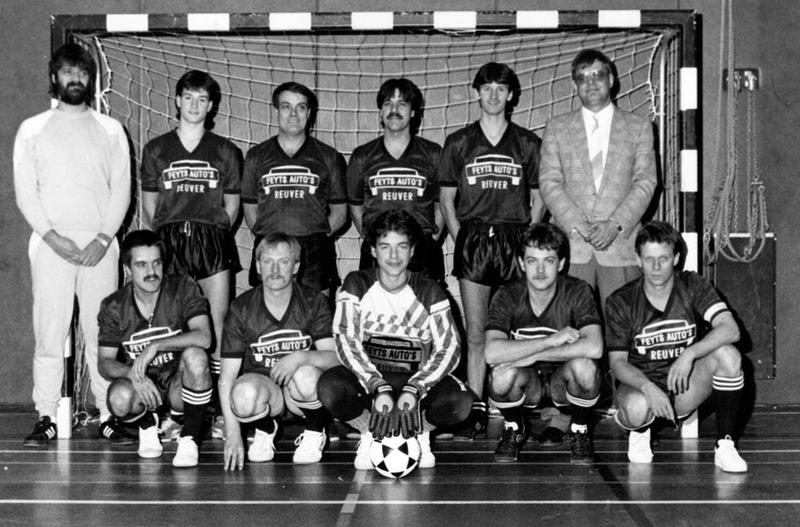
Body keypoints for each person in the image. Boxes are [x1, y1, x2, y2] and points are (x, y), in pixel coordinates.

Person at [13, 43, 132, 447]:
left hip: (100, 245)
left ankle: (108, 414)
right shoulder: (32, 129)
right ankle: (46, 416)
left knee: (101, 334)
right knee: (50, 333)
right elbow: (26, 192)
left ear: (91, 78)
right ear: (55, 77)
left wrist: (103, 237)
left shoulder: (110, 130)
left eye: (81, 72)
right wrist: (51, 237)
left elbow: (122, 190)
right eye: (68, 72)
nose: (75, 79)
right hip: (51, 245)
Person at [317, 209, 472, 469]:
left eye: (402, 247)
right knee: (330, 386)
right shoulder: (356, 284)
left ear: (412, 251)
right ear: (373, 250)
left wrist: (416, 387)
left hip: (415, 380)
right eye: (385, 247)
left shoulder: (430, 290)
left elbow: (450, 347)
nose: (393, 256)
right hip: (372, 380)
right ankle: (371, 433)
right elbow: (346, 340)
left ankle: (418, 433)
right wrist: (377, 386)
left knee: (461, 402)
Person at [438, 62, 544, 439]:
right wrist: (462, 238)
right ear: (477, 93)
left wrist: (527, 240)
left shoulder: (528, 143)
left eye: (501, 88)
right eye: (487, 88)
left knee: (517, 328)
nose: (494, 95)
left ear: (511, 95)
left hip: (515, 238)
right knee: (477, 332)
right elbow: (446, 199)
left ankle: (515, 404)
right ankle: (474, 409)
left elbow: (539, 196)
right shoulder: (459, 142)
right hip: (475, 238)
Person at [140, 70, 243, 440]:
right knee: (176, 324)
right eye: (189, 97)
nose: (195, 105)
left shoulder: (226, 150)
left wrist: (212, 229)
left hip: (211, 240)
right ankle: (178, 410)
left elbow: (233, 206)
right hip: (170, 240)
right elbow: (149, 206)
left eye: (202, 99)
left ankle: (218, 411)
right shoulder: (156, 149)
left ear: (211, 105)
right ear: (178, 101)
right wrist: (168, 235)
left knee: (217, 324)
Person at [606, 221, 747, 473]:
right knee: (637, 408)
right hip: (640, 387)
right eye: (649, 259)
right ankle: (640, 431)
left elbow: (730, 329)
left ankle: (725, 446)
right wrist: (647, 387)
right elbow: (617, 364)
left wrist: (689, 354)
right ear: (638, 259)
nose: (656, 267)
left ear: (676, 258)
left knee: (729, 355)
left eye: (663, 258)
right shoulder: (621, 300)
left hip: (683, 385)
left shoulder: (692, 284)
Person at [539, 48, 657, 311]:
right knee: (569, 327)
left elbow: (646, 181)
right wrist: (578, 224)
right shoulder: (556, 127)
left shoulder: (639, 126)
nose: (591, 83)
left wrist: (615, 225)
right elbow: (549, 182)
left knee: (622, 328)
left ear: (611, 79)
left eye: (598, 75)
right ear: (574, 85)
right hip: (571, 247)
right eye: (583, 77)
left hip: (621, 246)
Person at [485, 223, 602, 463]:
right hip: (528, 384)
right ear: (521, 263)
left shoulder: (577, 290)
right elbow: (491, 352)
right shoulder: (507, 294)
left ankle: (579, 429)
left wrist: (535, 354)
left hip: (564, 382)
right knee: (501, 375)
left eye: (548, 261)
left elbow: (595, 346)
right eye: (532, 261)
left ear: (561, 264)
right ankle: (515, 427)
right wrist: (550, 340)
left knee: (585, 367)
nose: (539, 270)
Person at [219, 233, 338, 470]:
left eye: (283, 261)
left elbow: (336, 359)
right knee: (241, 395)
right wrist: (232, 433)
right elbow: (226, 378)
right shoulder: (242, 307)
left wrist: (300, 357)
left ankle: (315, 431)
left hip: (301, 396)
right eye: (267, 261)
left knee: (306, 375)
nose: (275, 270)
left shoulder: (313, 301)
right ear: (257, 266)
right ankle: (265, 430)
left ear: (296, 266)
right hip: (267, 394)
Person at [97, 231, 213, 468]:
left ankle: (190, 437)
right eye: (141, 265)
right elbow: (104, 363)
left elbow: (204, 337)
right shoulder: (114, 305)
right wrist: (133, 375)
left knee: (196, 357)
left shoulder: (182, 287)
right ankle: (148, 424)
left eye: (156, 263)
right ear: (127, 269)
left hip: (179, 383)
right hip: (143, 387)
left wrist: (156, 346)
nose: (151, 272)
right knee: (118, 399)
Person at [242, 81, 347, 297]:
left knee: (317, 315)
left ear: (309, 113)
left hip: (315, 252)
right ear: (277, 111)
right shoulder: (256, 156)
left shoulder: (329, 156)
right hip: (270, 247)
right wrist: (270, 239)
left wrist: (316, 235)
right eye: (286, 106)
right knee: (268, 314)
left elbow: (340, 212)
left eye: (300, 107)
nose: (293, 114)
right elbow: (250, 209)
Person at [347, 78, 445, 281]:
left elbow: (443, 203)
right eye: (388, 104)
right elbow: (355, 205)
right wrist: (374, 238)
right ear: (380, 111)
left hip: (422, 252)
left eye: (402, 104)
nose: (394, 110)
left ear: (413, 111)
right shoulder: (362, 156)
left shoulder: (434, 154)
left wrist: (429, 239)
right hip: (377, 250)